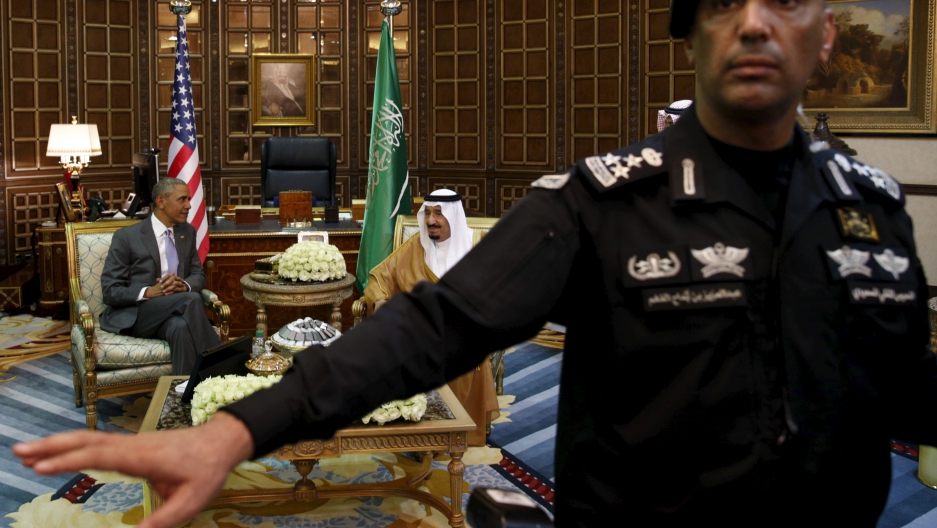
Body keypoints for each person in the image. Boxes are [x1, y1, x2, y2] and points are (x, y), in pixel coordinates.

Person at [15, 0, 937, 526]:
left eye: (784, 1)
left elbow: (899, 384)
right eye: (723, 4)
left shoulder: (877, 208)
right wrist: (237, 430)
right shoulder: (598, 201)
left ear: (826, 34)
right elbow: (432, 326)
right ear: (687, 34)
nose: (754, 24)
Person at [364, 188, 499, 445]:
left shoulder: (478, 245)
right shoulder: (417, 244)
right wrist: (380, 299)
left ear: (453, 216)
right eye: (427, 213)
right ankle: (414, 429)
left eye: (438, 214)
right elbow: (381, 276)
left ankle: (454, 431)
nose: (431, 221)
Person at [98, 178, 222, 374]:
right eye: (182, 199)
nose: (189, 205)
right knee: (191, 300)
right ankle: (221, 364)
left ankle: (185, 392)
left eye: (189, 199)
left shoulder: (187, 232)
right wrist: (149, 292)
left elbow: (198, 273)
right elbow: (110, 291)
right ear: (161, 202)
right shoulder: (127, 237)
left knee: (179, 327)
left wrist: (185, 286)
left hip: (175, 312)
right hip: (138, 314)